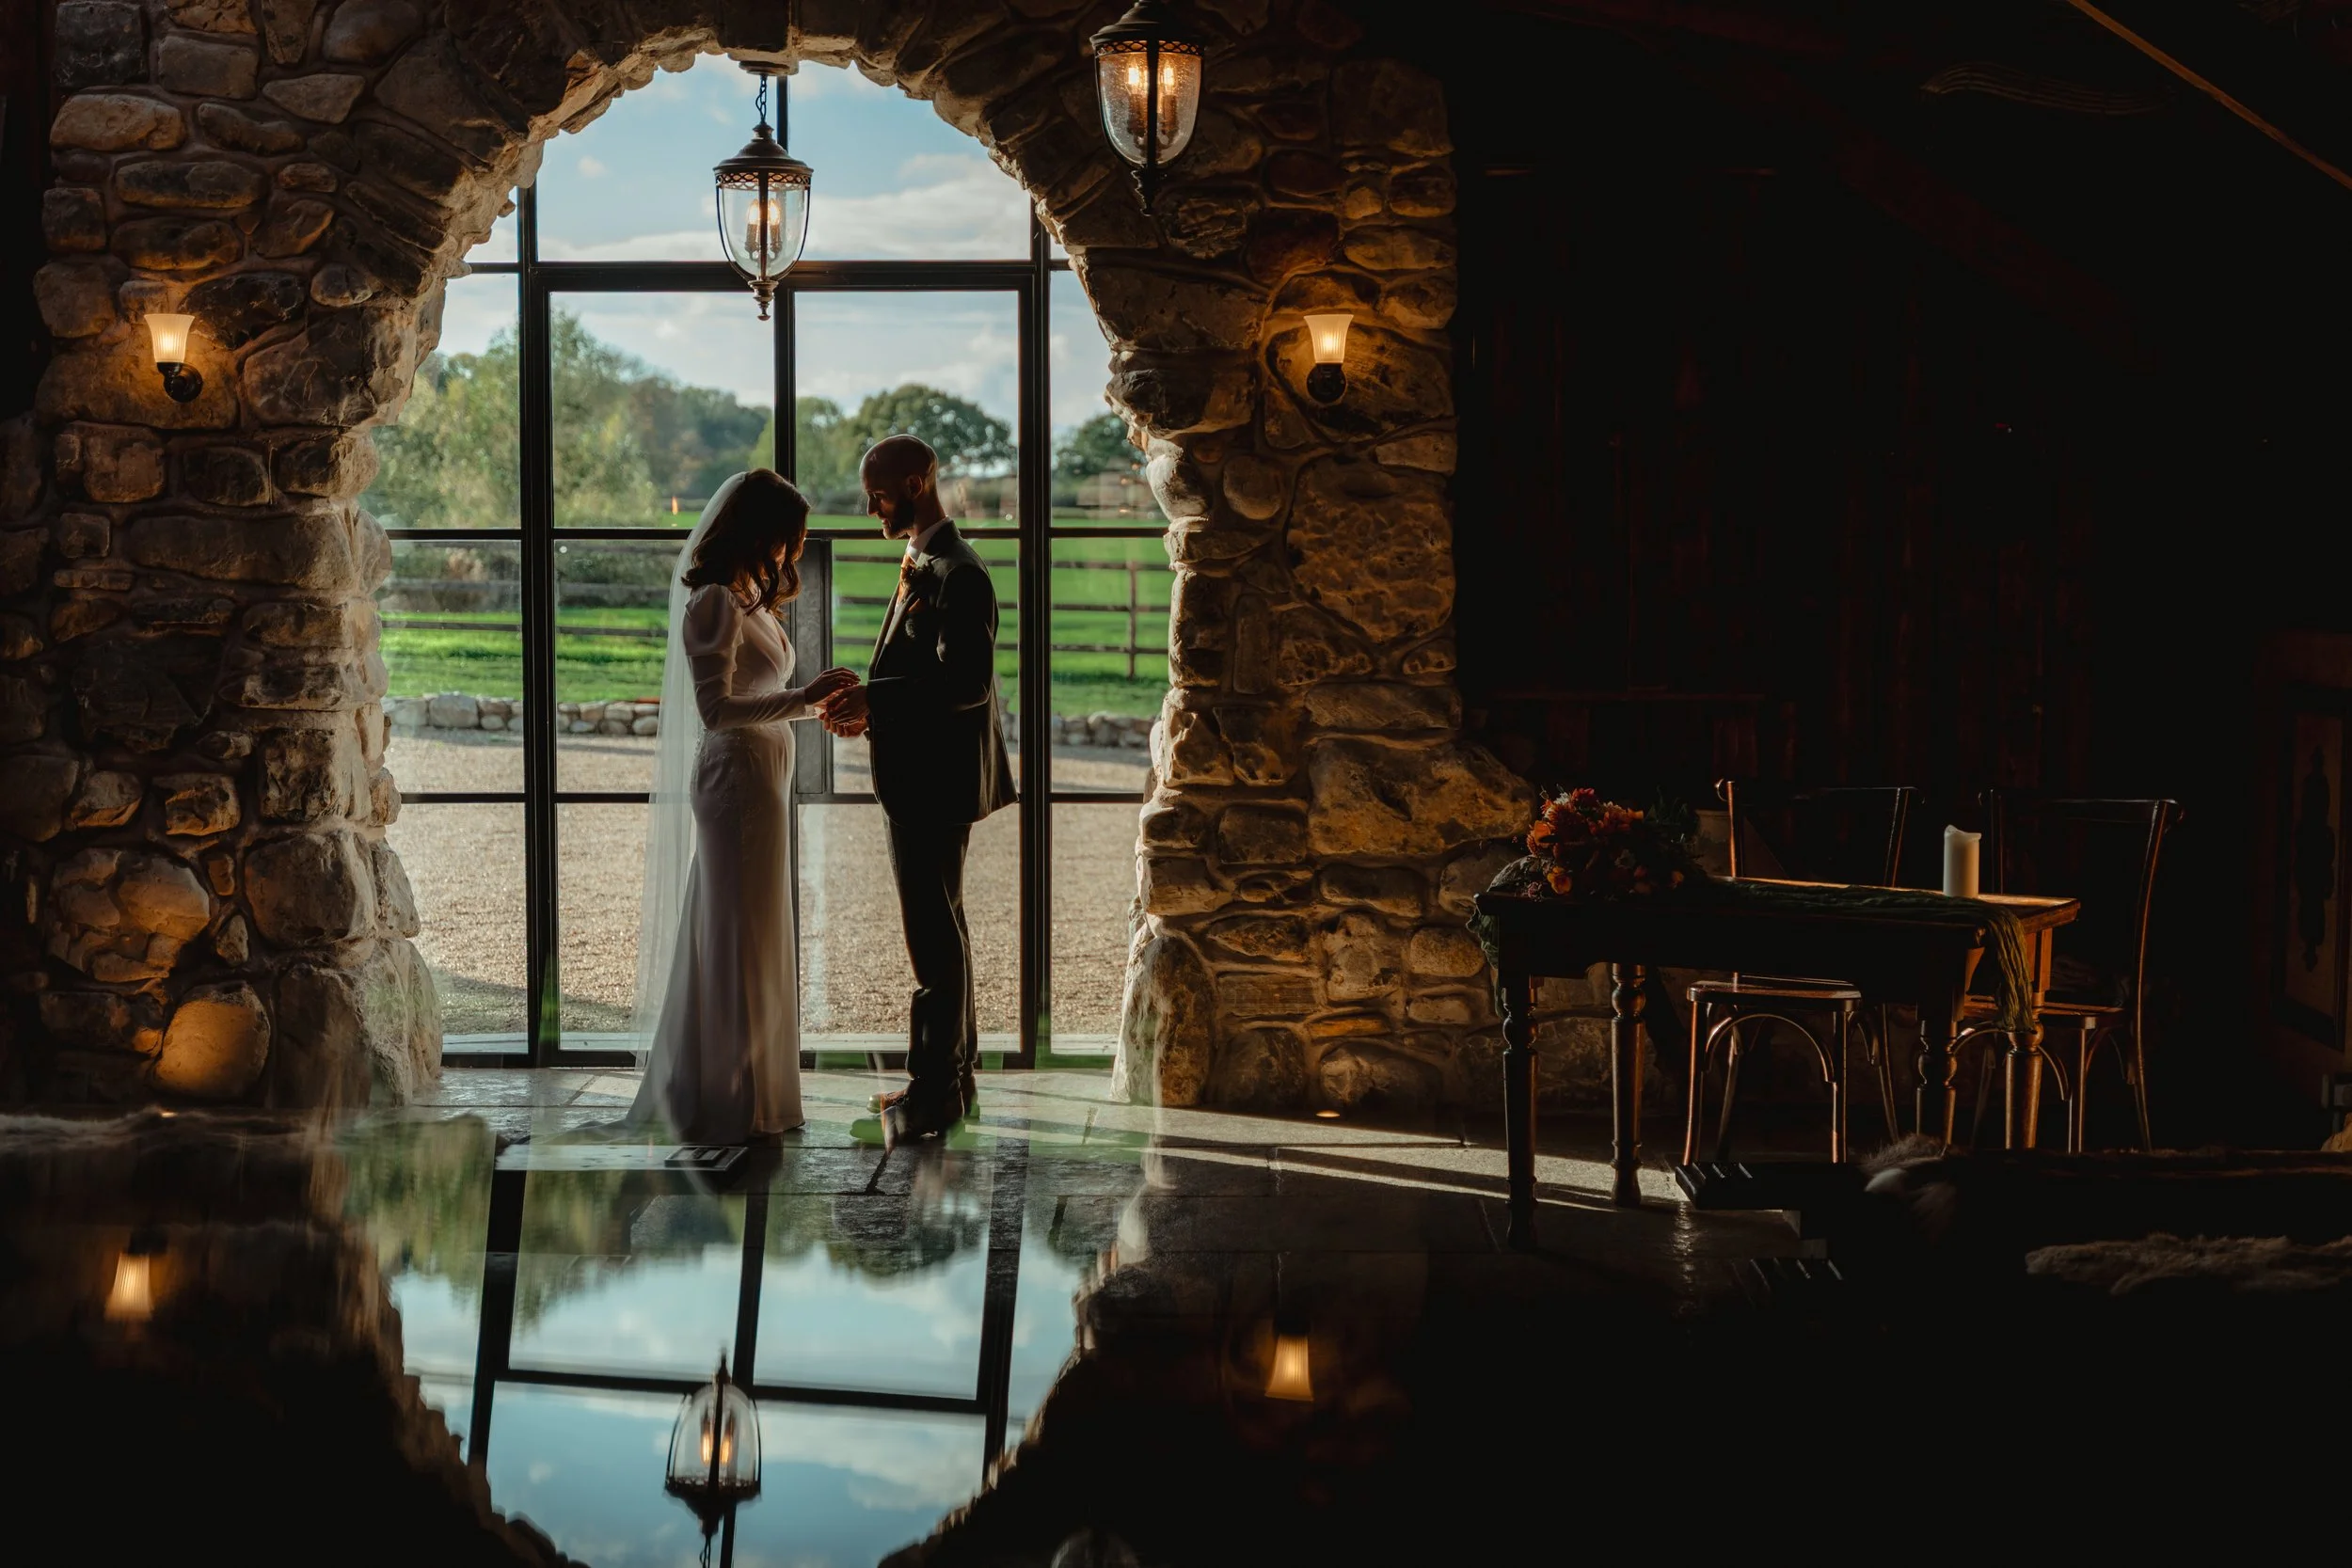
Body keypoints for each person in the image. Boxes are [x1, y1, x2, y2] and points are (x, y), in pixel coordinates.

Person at [628, 470, 857, 1144]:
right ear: (762, 531)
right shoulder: (713, 602)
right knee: (736, 929)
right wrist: (807, 700)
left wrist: (815, 699)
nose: (796, 550)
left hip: (764, 773)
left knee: (756, 925)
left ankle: (757, 1087)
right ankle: (730, 1095)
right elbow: (715, 709)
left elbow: (765, 688)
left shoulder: (752, 601)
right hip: (733, 781)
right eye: (793, 537)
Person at [818, 435, 1015, 1146]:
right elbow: (920, 675)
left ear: (918, 480)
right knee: (945, 933)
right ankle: (952, 1084)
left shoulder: (960, 574)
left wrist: (878, 701)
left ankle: (932, 1098)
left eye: (879, 491)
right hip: (920, 779)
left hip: (933, 785)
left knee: (933, 944)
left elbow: (965, 685)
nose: (870, 505)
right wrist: (868, 700)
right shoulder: (927, 562)